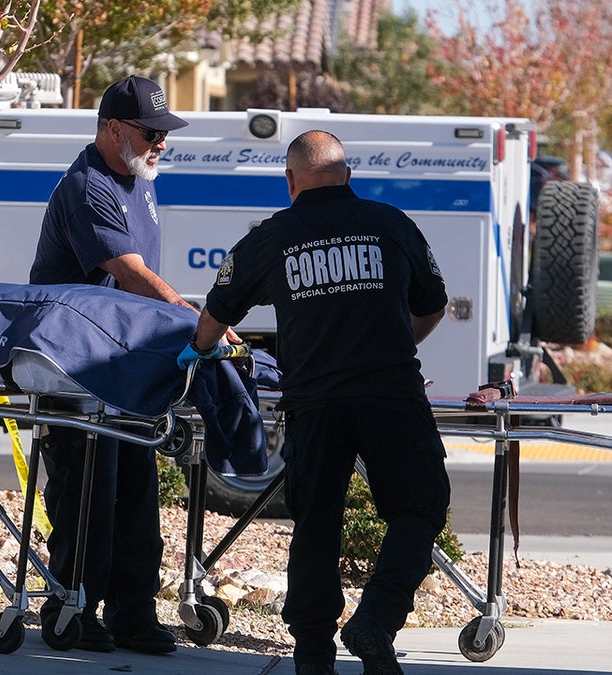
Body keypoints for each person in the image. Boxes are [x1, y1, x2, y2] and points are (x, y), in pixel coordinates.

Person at [179, 130, 451, 674]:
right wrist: (394, 342)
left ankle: (312, 654)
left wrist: (196, 354)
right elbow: (434, 306)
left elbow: (218, 310)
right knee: (418, 509)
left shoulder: (273, 236)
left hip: (316, 402)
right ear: (347, 175)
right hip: (390, 395)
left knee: (316, 522)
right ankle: (376, 619)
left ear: (291, 182)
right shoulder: (391, 224)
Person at [30, 74, 212, 655]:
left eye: (165, 134)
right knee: (87, 491)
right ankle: (73, 608)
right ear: (114, 129)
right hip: (78, 365)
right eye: (151, 132)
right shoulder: (89, 186)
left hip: (126, 361)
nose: (161, 143)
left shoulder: (139, 177)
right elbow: (131, 271)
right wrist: (193, 317)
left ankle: (134, 614)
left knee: (136, 490)